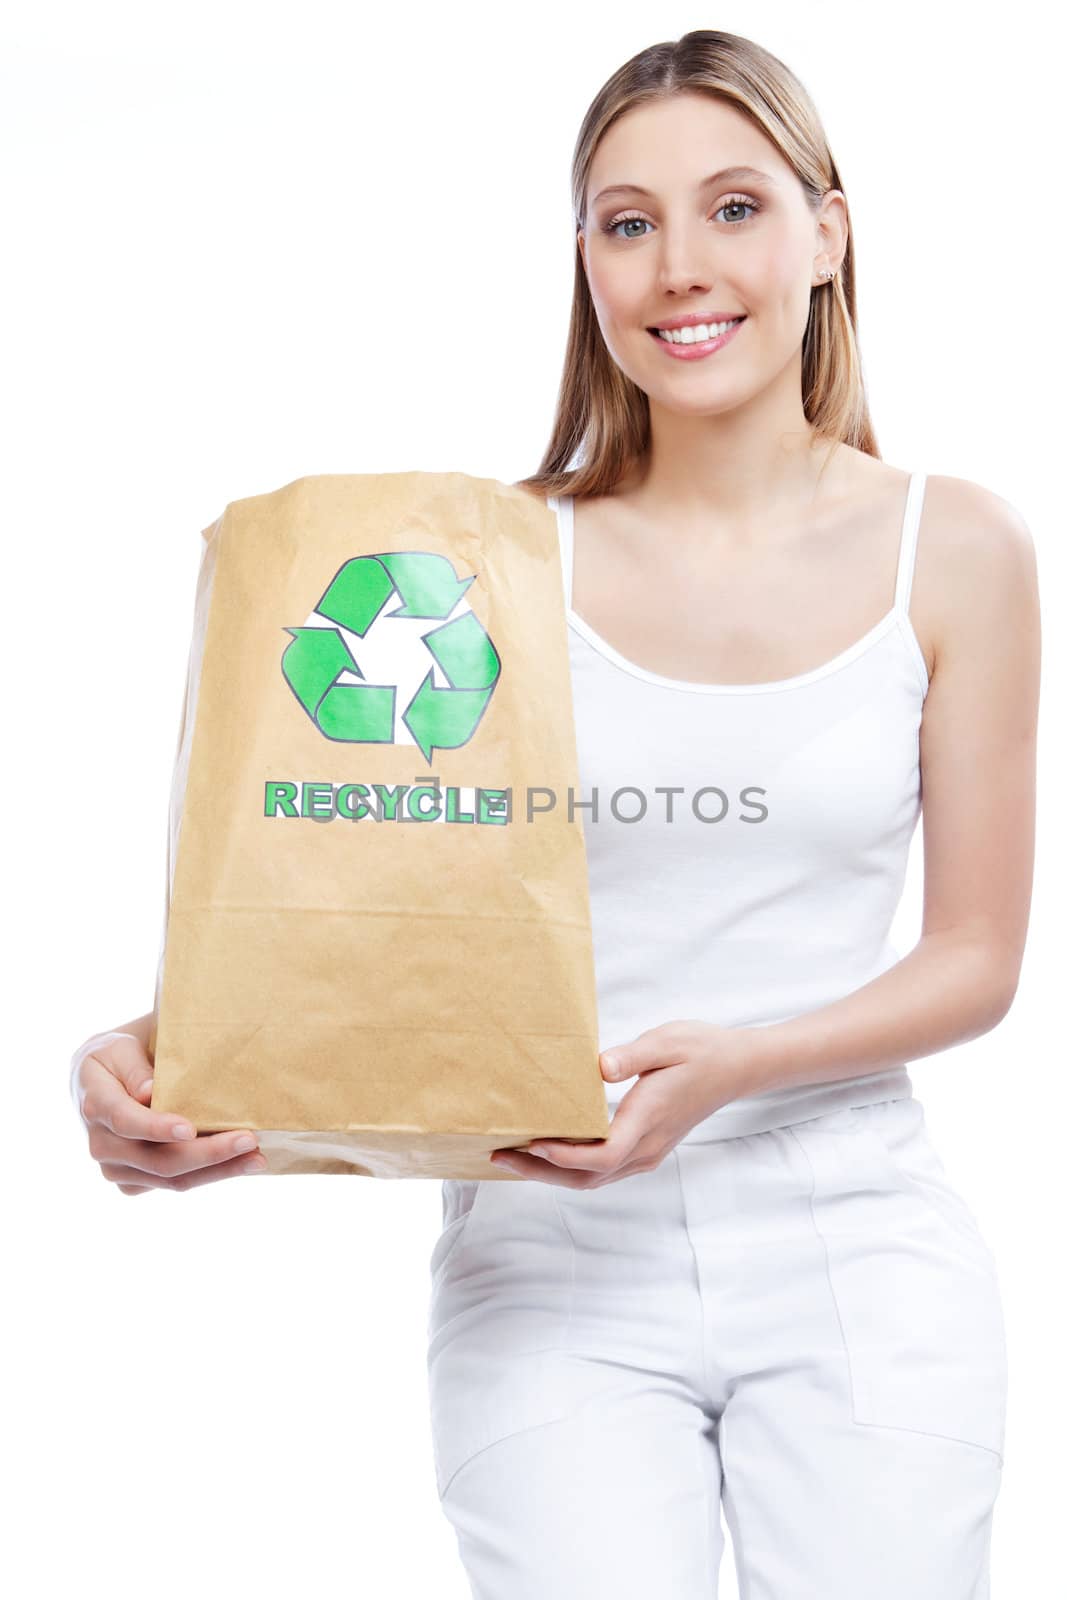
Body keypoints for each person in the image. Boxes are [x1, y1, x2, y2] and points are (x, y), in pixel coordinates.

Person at [70, 27, 1039, 1598]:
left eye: (735, 207)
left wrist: (740, 1066)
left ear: (827, 231)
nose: (678, 268)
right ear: (584, 259)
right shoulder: (488, 569)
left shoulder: (959, 550)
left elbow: (980, 955)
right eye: (626, 221)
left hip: (853, 1235)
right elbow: (369, 906)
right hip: (553, 1257)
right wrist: (158, 1055)